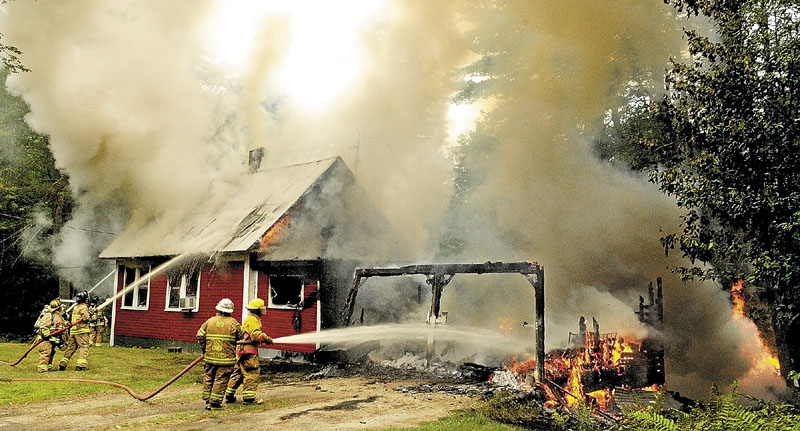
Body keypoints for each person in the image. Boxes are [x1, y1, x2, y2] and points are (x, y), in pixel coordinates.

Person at [197, 298, 243, 410]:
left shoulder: (209, 321)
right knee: (221, 379)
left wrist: (205, 348)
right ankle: (215, 403)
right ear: (230, 310)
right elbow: (242, 336)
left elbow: (200, 335)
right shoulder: (233, 323)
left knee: (208, 377)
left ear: (218, 308)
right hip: (226, 359)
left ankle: (207, 400)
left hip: (210, 357)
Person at [225, 298, 273, 405]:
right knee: (252, 373)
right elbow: (256, 335)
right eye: (262, 309)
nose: (263, 311)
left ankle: (229, 395)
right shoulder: (253, 320)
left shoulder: (251, 319)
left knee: (238, 373)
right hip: (248, 353)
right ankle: (248, 398)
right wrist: (266, 338)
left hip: (242, 351)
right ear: (258, 310)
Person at [58, 290, 91, 371]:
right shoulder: (83, 307)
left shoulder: (76, 307)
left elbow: (73, 318)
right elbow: (86, 319)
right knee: (83, 347)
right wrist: (91, 315)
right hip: (81, 332)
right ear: (85, 299)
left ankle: (62, 364)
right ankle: (80, 365)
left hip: (73, 332)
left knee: (71, 348)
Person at [35, 299, 65, 372]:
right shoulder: (49, 315)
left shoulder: (58, 316)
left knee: (51, 352)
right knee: (45, 352)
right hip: (45, 340)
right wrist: (47, 335)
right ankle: (42, 367)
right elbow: (43, 326)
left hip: (52, 339)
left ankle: (49, 366)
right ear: (58, 308)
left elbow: (59, 325)